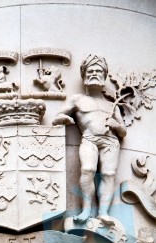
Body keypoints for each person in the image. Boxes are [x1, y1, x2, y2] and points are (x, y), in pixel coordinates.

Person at [52, 54, 126, 224]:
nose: (94, 73)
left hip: (110, 143)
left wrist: (116, 125)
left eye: (98, 71)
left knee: (109, 174)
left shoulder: (111, 104)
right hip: (90, 139)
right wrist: (63, 119)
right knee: (87, 170)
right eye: (90, 70)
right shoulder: (77, 100)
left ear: (104, 76)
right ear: (84, 75)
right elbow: (58, 116)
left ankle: (103, 212)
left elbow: (123, 132)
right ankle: (86, 210)